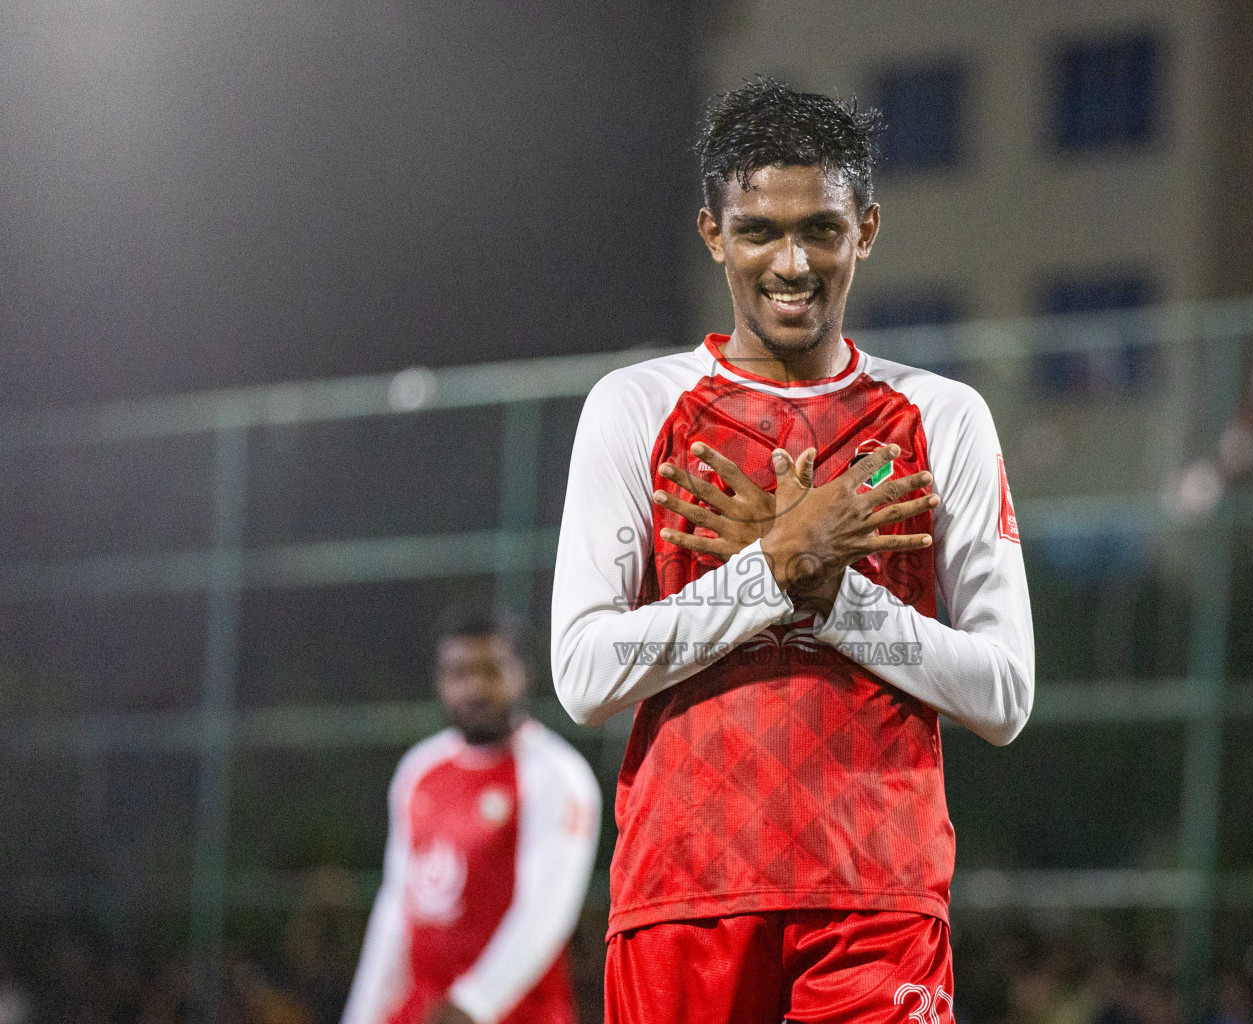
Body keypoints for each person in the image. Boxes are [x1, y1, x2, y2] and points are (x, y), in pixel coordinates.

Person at [550, 77, 1035, 1022]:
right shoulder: (636, 407)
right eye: (759, 231)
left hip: (878, 896)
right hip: (683, 895)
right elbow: (582, 675)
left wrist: (830, 593)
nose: (791, 263)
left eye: (820, 228)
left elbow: (1005, 693)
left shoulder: (942, 418)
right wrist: (772, 566)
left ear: (868, 230)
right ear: (711, 234)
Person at [341, 606, 601, 1024]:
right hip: (425, 1012)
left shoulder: (557, 774)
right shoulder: (418, 771)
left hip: (513, 1014)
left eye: (490, 671)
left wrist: (472, 1004)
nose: (475, 688)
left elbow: (549, 910)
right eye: (459, 673)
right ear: (440, 681)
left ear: (522, 674)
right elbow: (396, 906)